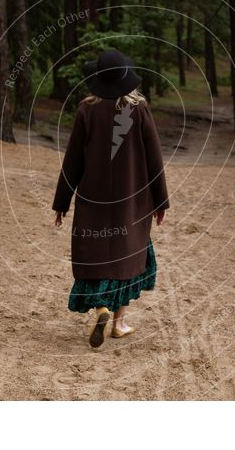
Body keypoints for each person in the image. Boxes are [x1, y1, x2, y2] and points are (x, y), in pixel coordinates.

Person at [52, 49, 170, 348]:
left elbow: (73, 161)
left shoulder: (86, 110)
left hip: (94, 202)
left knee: (97, 256)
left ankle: (101, 307)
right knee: (127, 259)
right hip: (133, 203)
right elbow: (155, 158)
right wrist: (161, 201)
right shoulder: (139, 109)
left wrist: (62, 202)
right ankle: (118, 323)